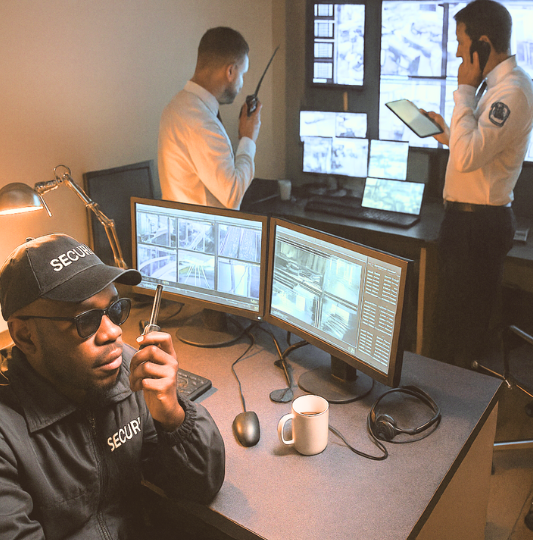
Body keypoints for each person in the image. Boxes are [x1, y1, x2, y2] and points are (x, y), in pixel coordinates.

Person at [0, 234, 225, 539]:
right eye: (86, 320)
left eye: (115, 310)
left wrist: (173, 416)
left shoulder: (125, 370)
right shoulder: (7, 433)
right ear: (25, 336)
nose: (114, 333)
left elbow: (199, 486)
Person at [424, 0, 533, 368]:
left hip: (478, 226)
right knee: (449, 324)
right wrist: (449, 133)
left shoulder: (512, 92)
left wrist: (465, 90)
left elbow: (469, 156)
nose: (457, 52)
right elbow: (475, 150)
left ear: (482, 44)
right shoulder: (498, 87)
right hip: (467, 222)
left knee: (460, 334)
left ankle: (450, 401)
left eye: (461, 42)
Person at [158, 26, 262, 209]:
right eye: (242, 74)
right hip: (203, 227)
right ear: (230, 72)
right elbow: (233, 196)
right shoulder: (202, 123)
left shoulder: (176, 106)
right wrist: (248, 139)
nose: (242, 83)